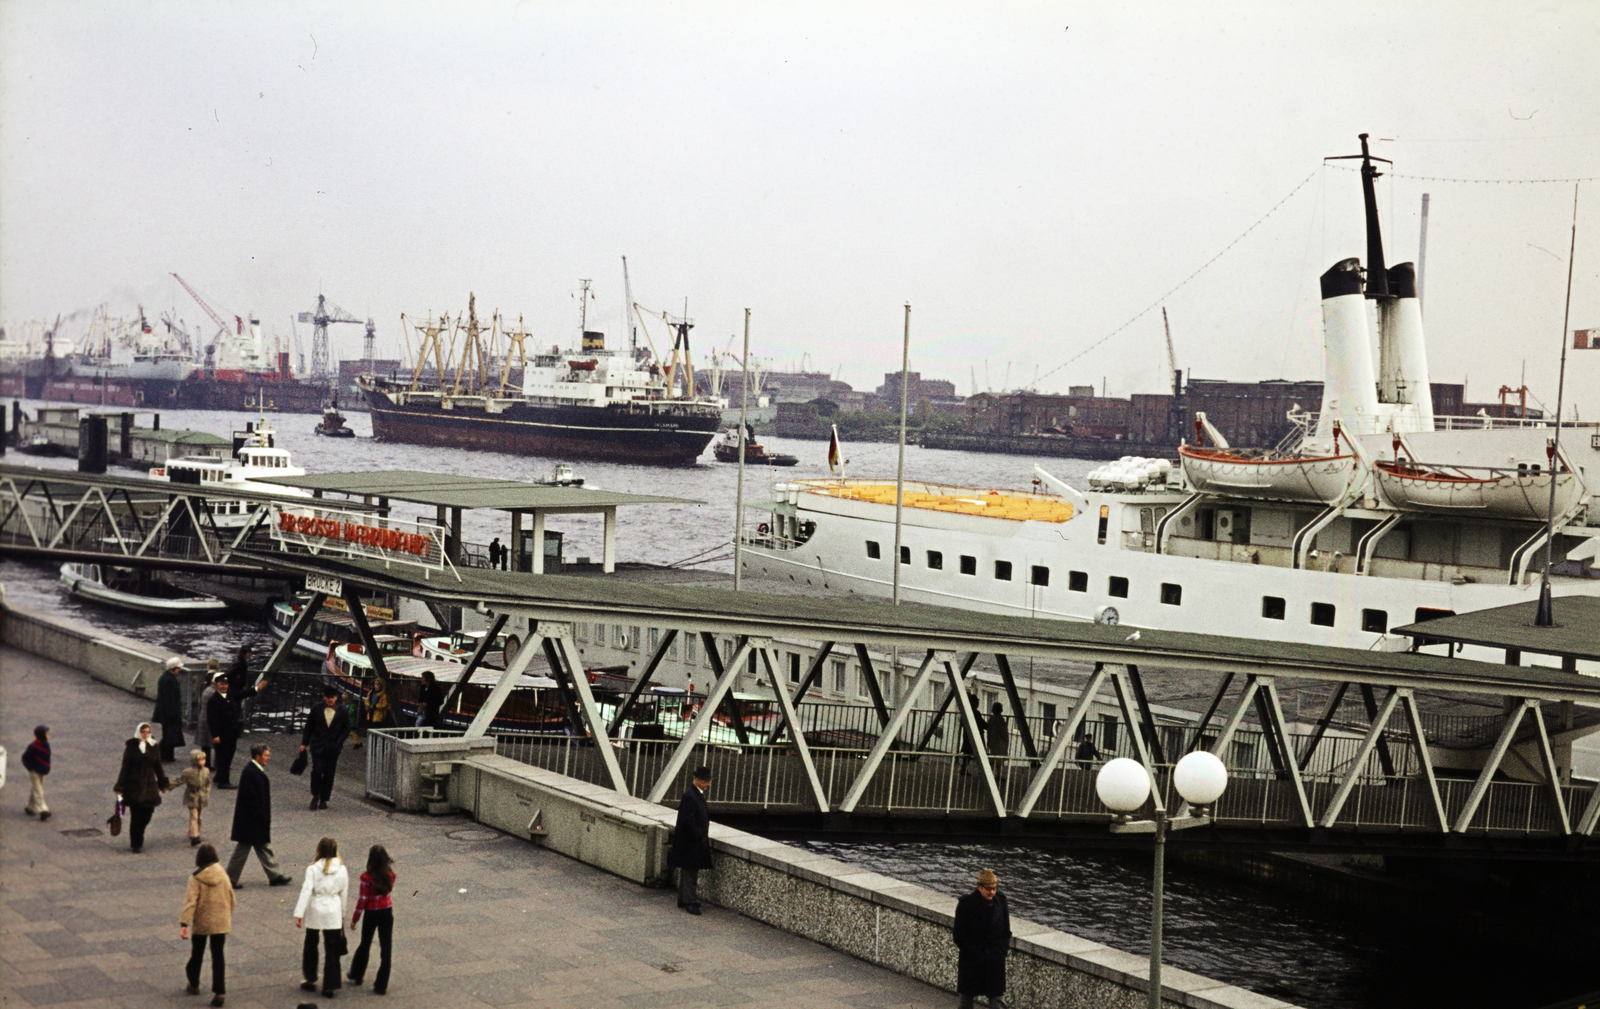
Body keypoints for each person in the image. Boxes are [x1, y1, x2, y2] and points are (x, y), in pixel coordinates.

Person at [226, 743, 293, 888]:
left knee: (261, 846)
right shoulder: (252, 772)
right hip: (252, 820)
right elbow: (252, 799)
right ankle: (229, 879)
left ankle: (275, 875)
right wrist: (260, 816)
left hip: (251, 820)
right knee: (246, 849)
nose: (268, 758)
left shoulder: (252, 771)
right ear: (258, 756)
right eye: (266, 755)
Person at [180, 842, 235, 1008]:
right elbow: (232, 898)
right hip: (220, 922)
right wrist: (226, 916)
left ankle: (194, 983)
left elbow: (191, 902)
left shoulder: (196, 878)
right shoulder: (223, 874)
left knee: (197, 953)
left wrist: (184, 924)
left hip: (202, 922)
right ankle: (220, 991)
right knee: (218, 956)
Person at [294, 836, 350, 997]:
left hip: (315, 909)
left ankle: (310, 978)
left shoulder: (312, 869)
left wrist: (299, 913)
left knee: (311, 944)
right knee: (332, 949)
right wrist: (342, 915)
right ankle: (329, 985)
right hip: (333, 910)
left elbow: (306, 891)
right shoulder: (342, 869)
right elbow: (344, 894)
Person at [952, 869, 1011, 1009]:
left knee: (996, 1001)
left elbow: (1006, 931)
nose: (992, 892)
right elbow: (959, 935)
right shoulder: (966, 904)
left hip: (994, 960)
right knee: (966, 1001)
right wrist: (974, 952)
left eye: (994, 889)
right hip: (973, 961)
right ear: (980, 888)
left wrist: (1002, 951)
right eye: (988, 889)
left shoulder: (1001, 901)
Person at [114, 722, 170, 853]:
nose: (145, 734)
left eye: (147, 732)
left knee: (148, 813)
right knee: (136, 815)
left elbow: (158, 766)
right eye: (143, 732)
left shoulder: (154, 746)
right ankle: (136, 843)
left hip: (150, 785)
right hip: (134, 785)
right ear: (139, 733)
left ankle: (140, 832)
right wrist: (119, 787)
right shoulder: (131, 748)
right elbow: (125, 768)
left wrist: (163, 783)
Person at [207, 668, 268, 790]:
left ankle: (219, 777)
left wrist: (256, 688)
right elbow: (212, 720)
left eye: (226, 684)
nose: (224, 686)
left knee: (228, 755)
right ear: (216, 685)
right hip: (222, 734)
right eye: (221, 684)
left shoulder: (229, 694)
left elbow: (242, 694)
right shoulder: (213, 700)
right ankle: (223, 781)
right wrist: (215, 735)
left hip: (231, 733)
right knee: (224, 757)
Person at [347, 844, 396, 994]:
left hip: (371, 913)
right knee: (386, 948)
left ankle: (357, 973)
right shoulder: (390, 875)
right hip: (386, 911)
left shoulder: (366, 877)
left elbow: (363, 899)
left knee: (365, 943)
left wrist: (355, 917)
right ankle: (381, 985)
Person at [667, 766, 712, 915]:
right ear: (698, 781)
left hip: (690, 841)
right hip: (691, 842)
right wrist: (699, 835)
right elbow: (688, 821)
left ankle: (683, 898)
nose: (708, 784)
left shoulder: (693, 794)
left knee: (688, 871)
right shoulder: (692, 796)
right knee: (690, 873)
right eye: (706, 781)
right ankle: (690, 902)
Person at [300, 684, 352, 810]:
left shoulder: (342, 711)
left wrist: (339, 742)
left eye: (333, 697)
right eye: (328, 697)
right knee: (317, 771)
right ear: (324, 697)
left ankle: (324, 799)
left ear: (336, 698)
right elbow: (309, 726)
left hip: (333, 747)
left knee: (329, 774)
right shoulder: (317, 708)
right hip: (317, 745)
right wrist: (304, 743)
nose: (330, 700)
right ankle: (315, 795)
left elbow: (347, 728)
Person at [171, 749, 213, 846]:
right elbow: (179, 781)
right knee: (194, 815)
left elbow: (207, 783)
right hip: (191, 796)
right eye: (200, 760)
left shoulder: (206, 771)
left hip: (202, 797)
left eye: (204, 759)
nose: (203, 762)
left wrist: (207, 791)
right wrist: (168, 786)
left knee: (198, 817)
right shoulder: (188, 772)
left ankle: (194, 832)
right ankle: (195, 836)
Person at [154, 656, 187, 763]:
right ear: (173, 668)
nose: (179, 670)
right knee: (169, 734)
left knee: (168, 734)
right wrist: (173, 714)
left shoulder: (165, 677)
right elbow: (170, 699)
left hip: (164, 712)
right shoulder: (170, 680)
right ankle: (164, 755)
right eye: (178, 668)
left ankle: (166, 755)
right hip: (169, 712)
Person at [22, 724, 51, 822]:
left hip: (42, 770)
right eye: (47, 734)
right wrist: (30, 768)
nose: (49, 736)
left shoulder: (45, 745)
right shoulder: (33, 746)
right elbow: (25, 758)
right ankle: (43, 810)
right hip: (34, 771)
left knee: (36, 788)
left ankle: (30, 807)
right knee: (39, 790)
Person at [196, 662, 221, 768]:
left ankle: (206, 764)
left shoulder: (206, 690)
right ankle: (218, 765)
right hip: (213, 721)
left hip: (203, 717)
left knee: (205, 745)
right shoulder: (216, 693)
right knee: (218, 745)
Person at [985, 702, 1009, 782]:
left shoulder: (991, 719)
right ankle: (994, 774)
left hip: (993, 741)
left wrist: (988, 740)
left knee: (994, 758)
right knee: (997, 759)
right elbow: (1003, 731)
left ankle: (995, 774)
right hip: (1000, 742)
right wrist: (1006, 739)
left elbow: (989, 730)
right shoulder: (1000, 720)